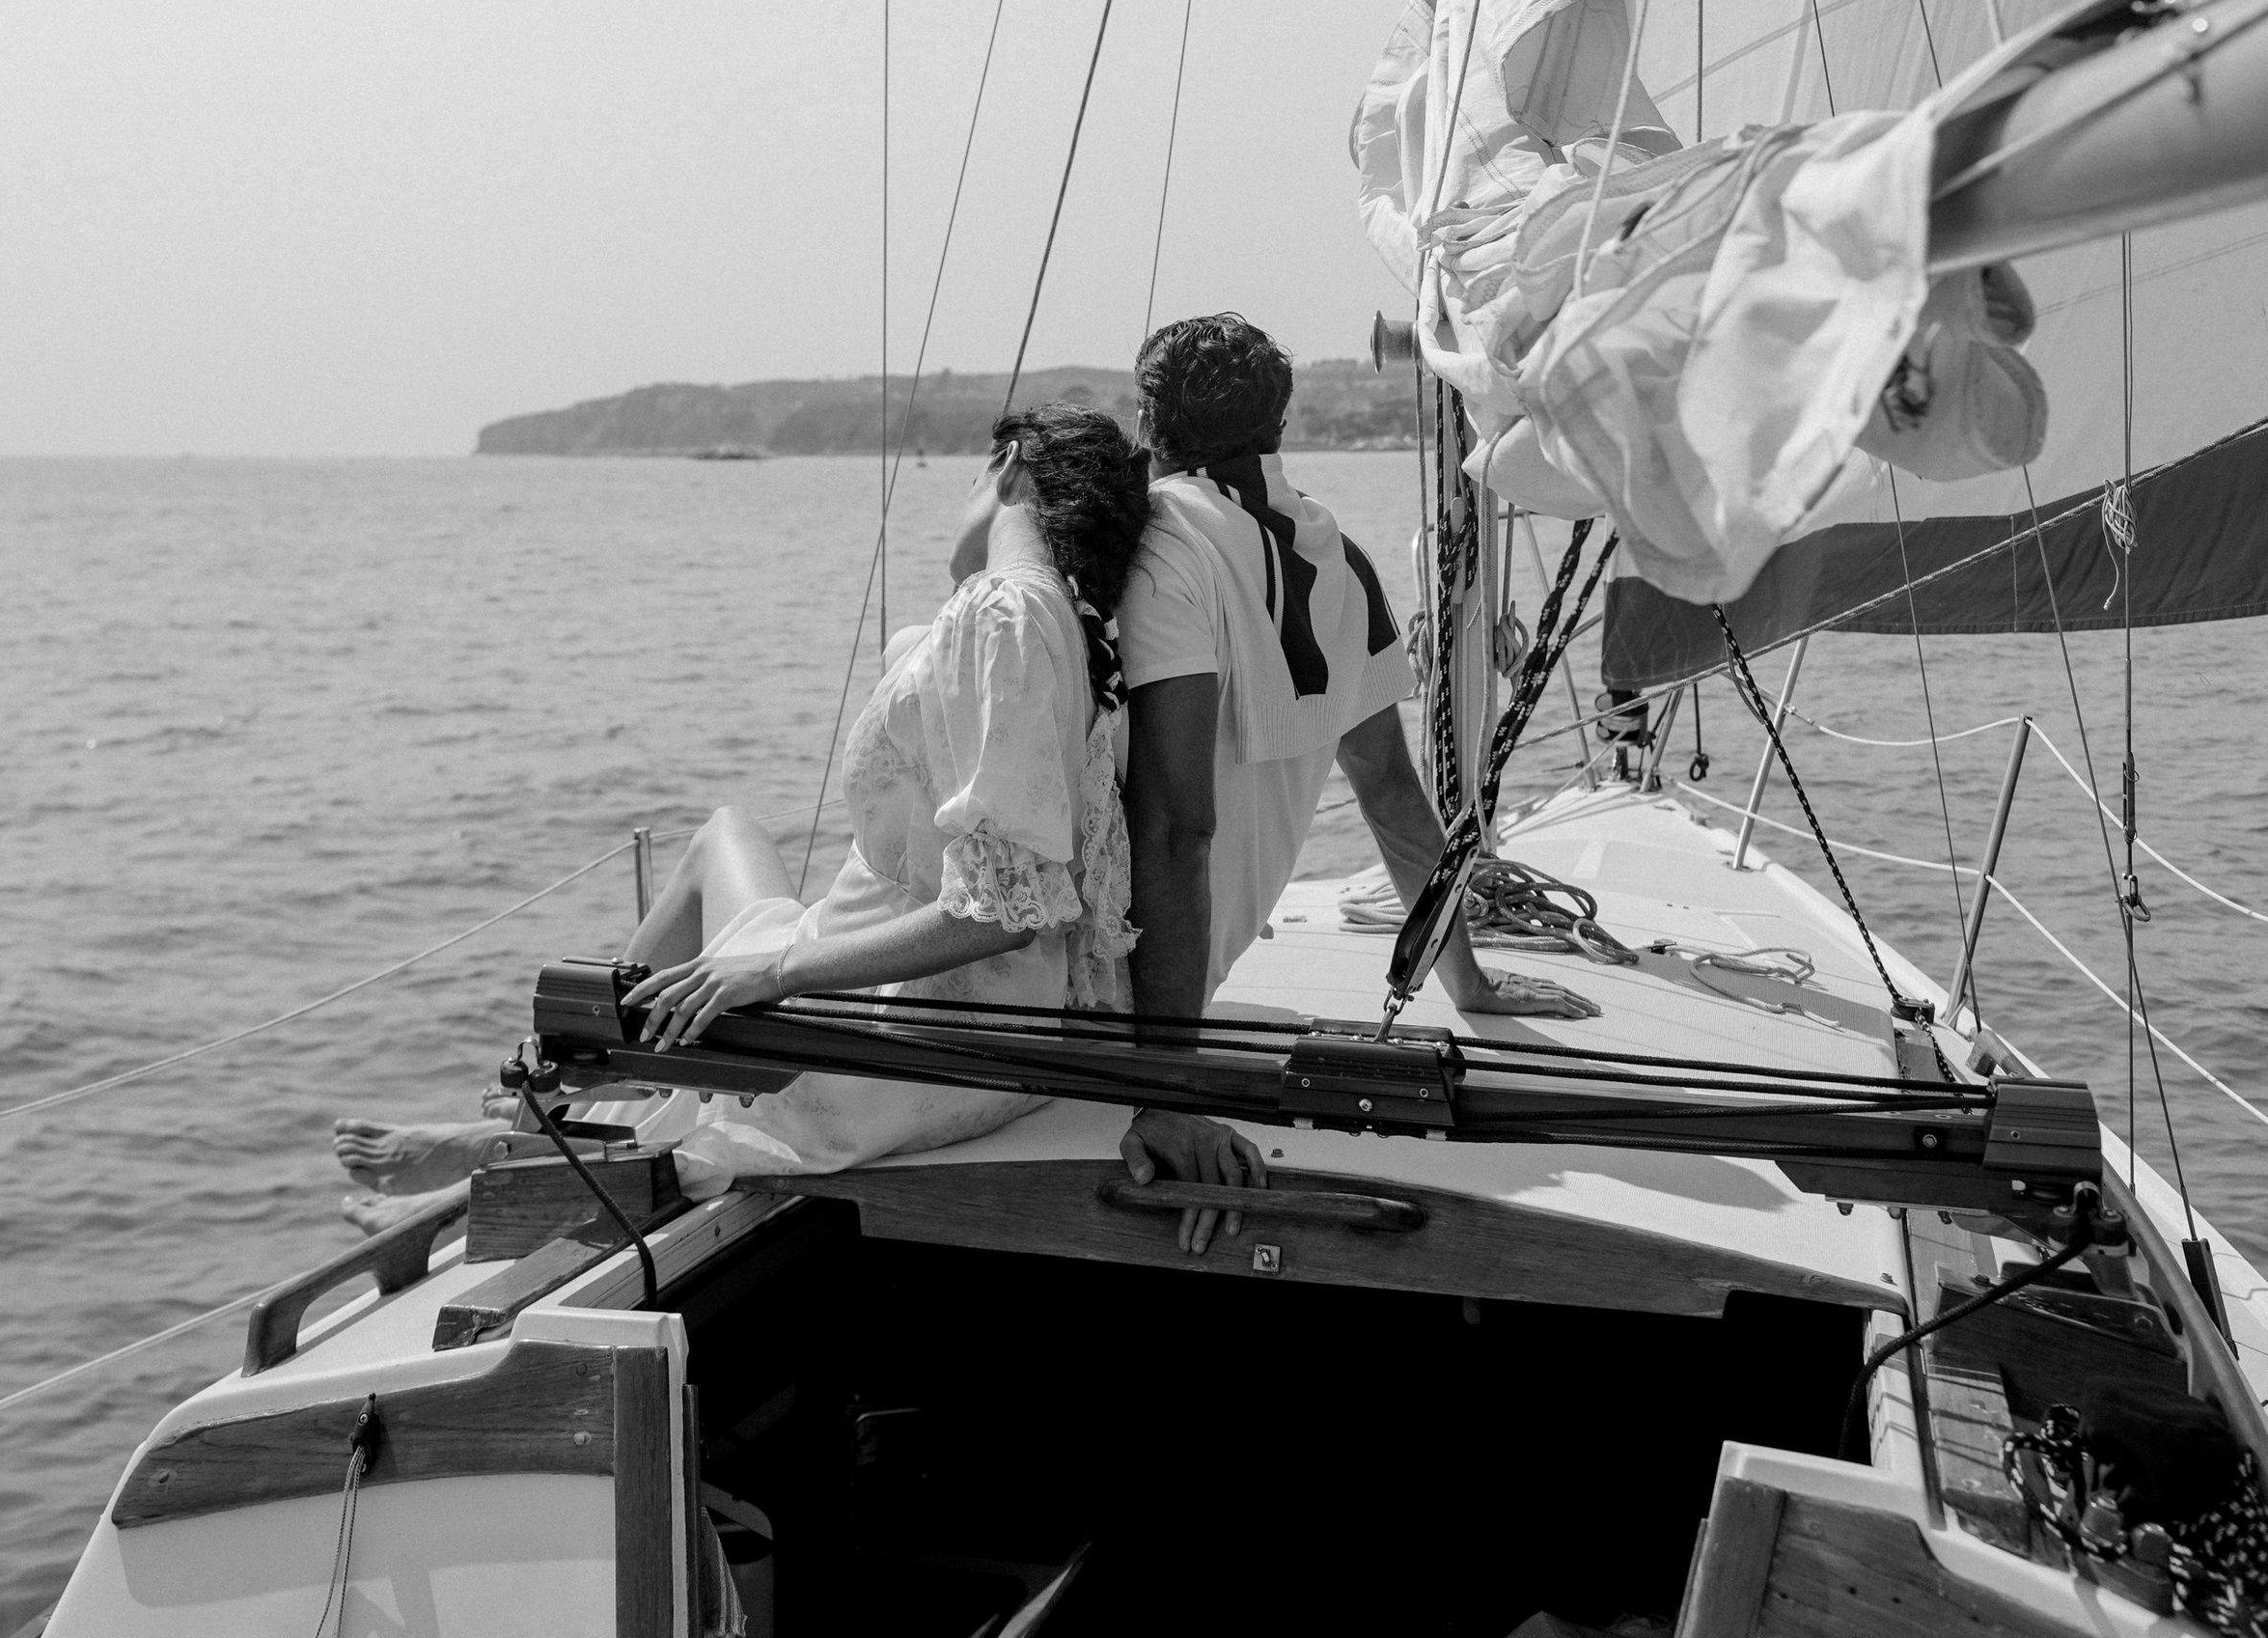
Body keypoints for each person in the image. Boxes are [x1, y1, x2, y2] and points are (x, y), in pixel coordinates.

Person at [336, 403, 1151, 1218]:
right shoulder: (1065, 628)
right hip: (979, 1015)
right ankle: (533, 1123)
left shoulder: (1005, 612)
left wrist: (774, 973)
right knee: (724, 835)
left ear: (1007, 466)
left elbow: (1003, 912)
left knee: (720, 919)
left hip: (905, 1030)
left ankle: (514, 1148)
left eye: (974, 474)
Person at [1113, 312, 1590, 1249]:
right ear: (1279, 425)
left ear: (1146, 422)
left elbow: (1175, 827)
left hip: (1121, 993)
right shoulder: (1337, 558)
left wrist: (1161, 1088)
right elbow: (1391, 792)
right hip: (1192, 984)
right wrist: (1462, 978)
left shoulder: (1160, 542)